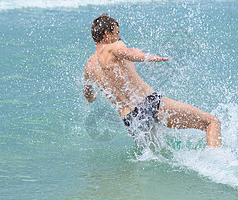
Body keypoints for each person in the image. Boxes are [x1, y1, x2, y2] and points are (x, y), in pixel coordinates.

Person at [83, 14, 221, 148]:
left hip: (131, 120)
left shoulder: (89, 67)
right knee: (211, 122)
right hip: (148, 104)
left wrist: (91, 99)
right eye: (116, 33)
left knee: (158, 155)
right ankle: (215, 162)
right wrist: (149, 57)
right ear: (107, 34)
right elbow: (131, 55)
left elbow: (87, 92)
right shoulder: (114, 46)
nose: (119, 37)